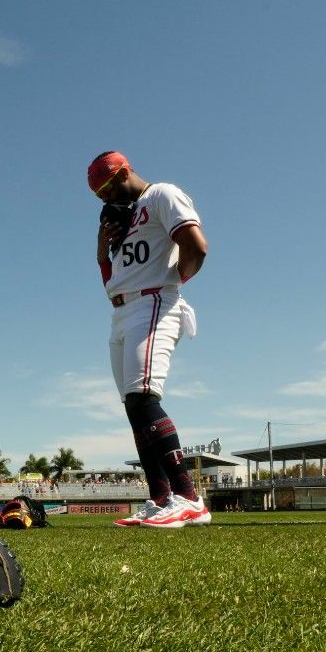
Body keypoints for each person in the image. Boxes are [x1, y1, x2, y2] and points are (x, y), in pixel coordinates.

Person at [88, 151, 211, 527]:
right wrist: (101, 252)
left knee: (143, 397)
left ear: (124, 171)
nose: (106, 199)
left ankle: (189, 498)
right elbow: (113, 281)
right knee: (133, 406)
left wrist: (174, 282)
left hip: (153, 301)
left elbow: (197, 246)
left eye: (107, 188)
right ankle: (160, 498)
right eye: (99, 196)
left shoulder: (161, 194)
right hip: (122, 310)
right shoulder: (123, 216)